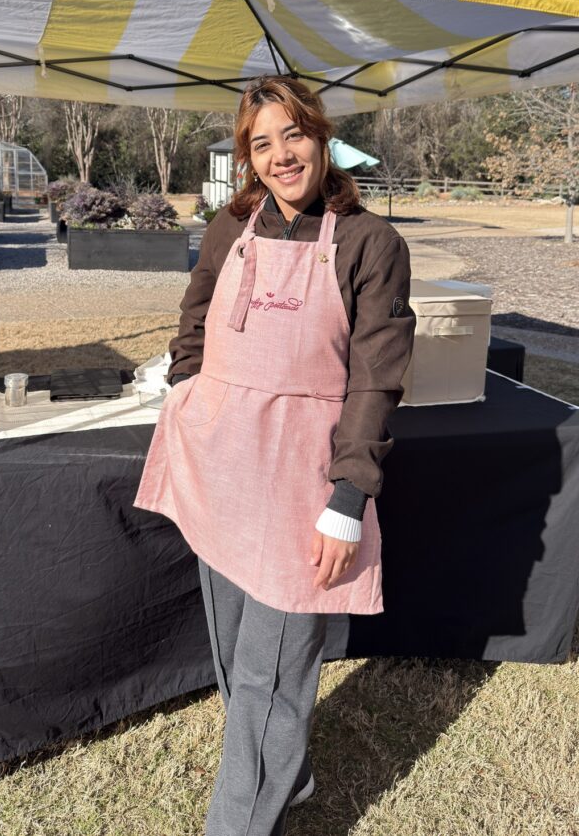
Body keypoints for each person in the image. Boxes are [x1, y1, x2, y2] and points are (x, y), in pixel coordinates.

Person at [134, 75, 415, 836]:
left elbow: (376, 379)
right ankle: (282, 775)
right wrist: (192, 392)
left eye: (293, 134)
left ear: (322, 137)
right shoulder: (233, 227)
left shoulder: (371, 244)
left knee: (271, 670)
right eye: (262, 143)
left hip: (302, 482)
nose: (281, 155)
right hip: (219, 467)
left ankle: (237, 823)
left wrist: (347, 501)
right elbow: (195, 315)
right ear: (247, 158)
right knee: (234, 657)